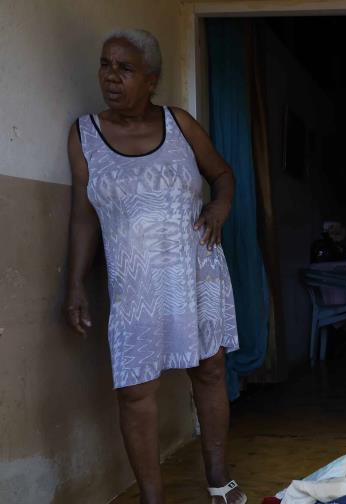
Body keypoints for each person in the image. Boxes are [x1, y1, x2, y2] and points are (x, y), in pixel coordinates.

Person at [64, 29, 247, 504]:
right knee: (135, 389)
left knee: (209, 372)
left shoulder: (180, 124)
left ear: (151, 80)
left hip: (195, 273)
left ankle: (218, 480)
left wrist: (218, 210)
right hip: (135, 283)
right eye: (106, 65)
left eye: (125, 68)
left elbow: (222, 174)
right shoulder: (84, 134)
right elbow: (83, 214)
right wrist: (76, 283)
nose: (110, 77)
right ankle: (152, 498)